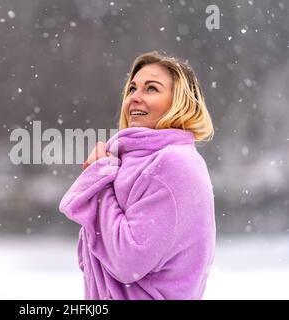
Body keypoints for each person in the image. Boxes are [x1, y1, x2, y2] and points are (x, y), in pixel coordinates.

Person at [59, 51, 216, 299]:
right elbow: (91, 260)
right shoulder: (127, 160)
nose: (135, 98)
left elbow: (127, 261)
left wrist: (98, 186)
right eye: (132, 89)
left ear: (179, 102)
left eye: (151, 89)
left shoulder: (174, 163)